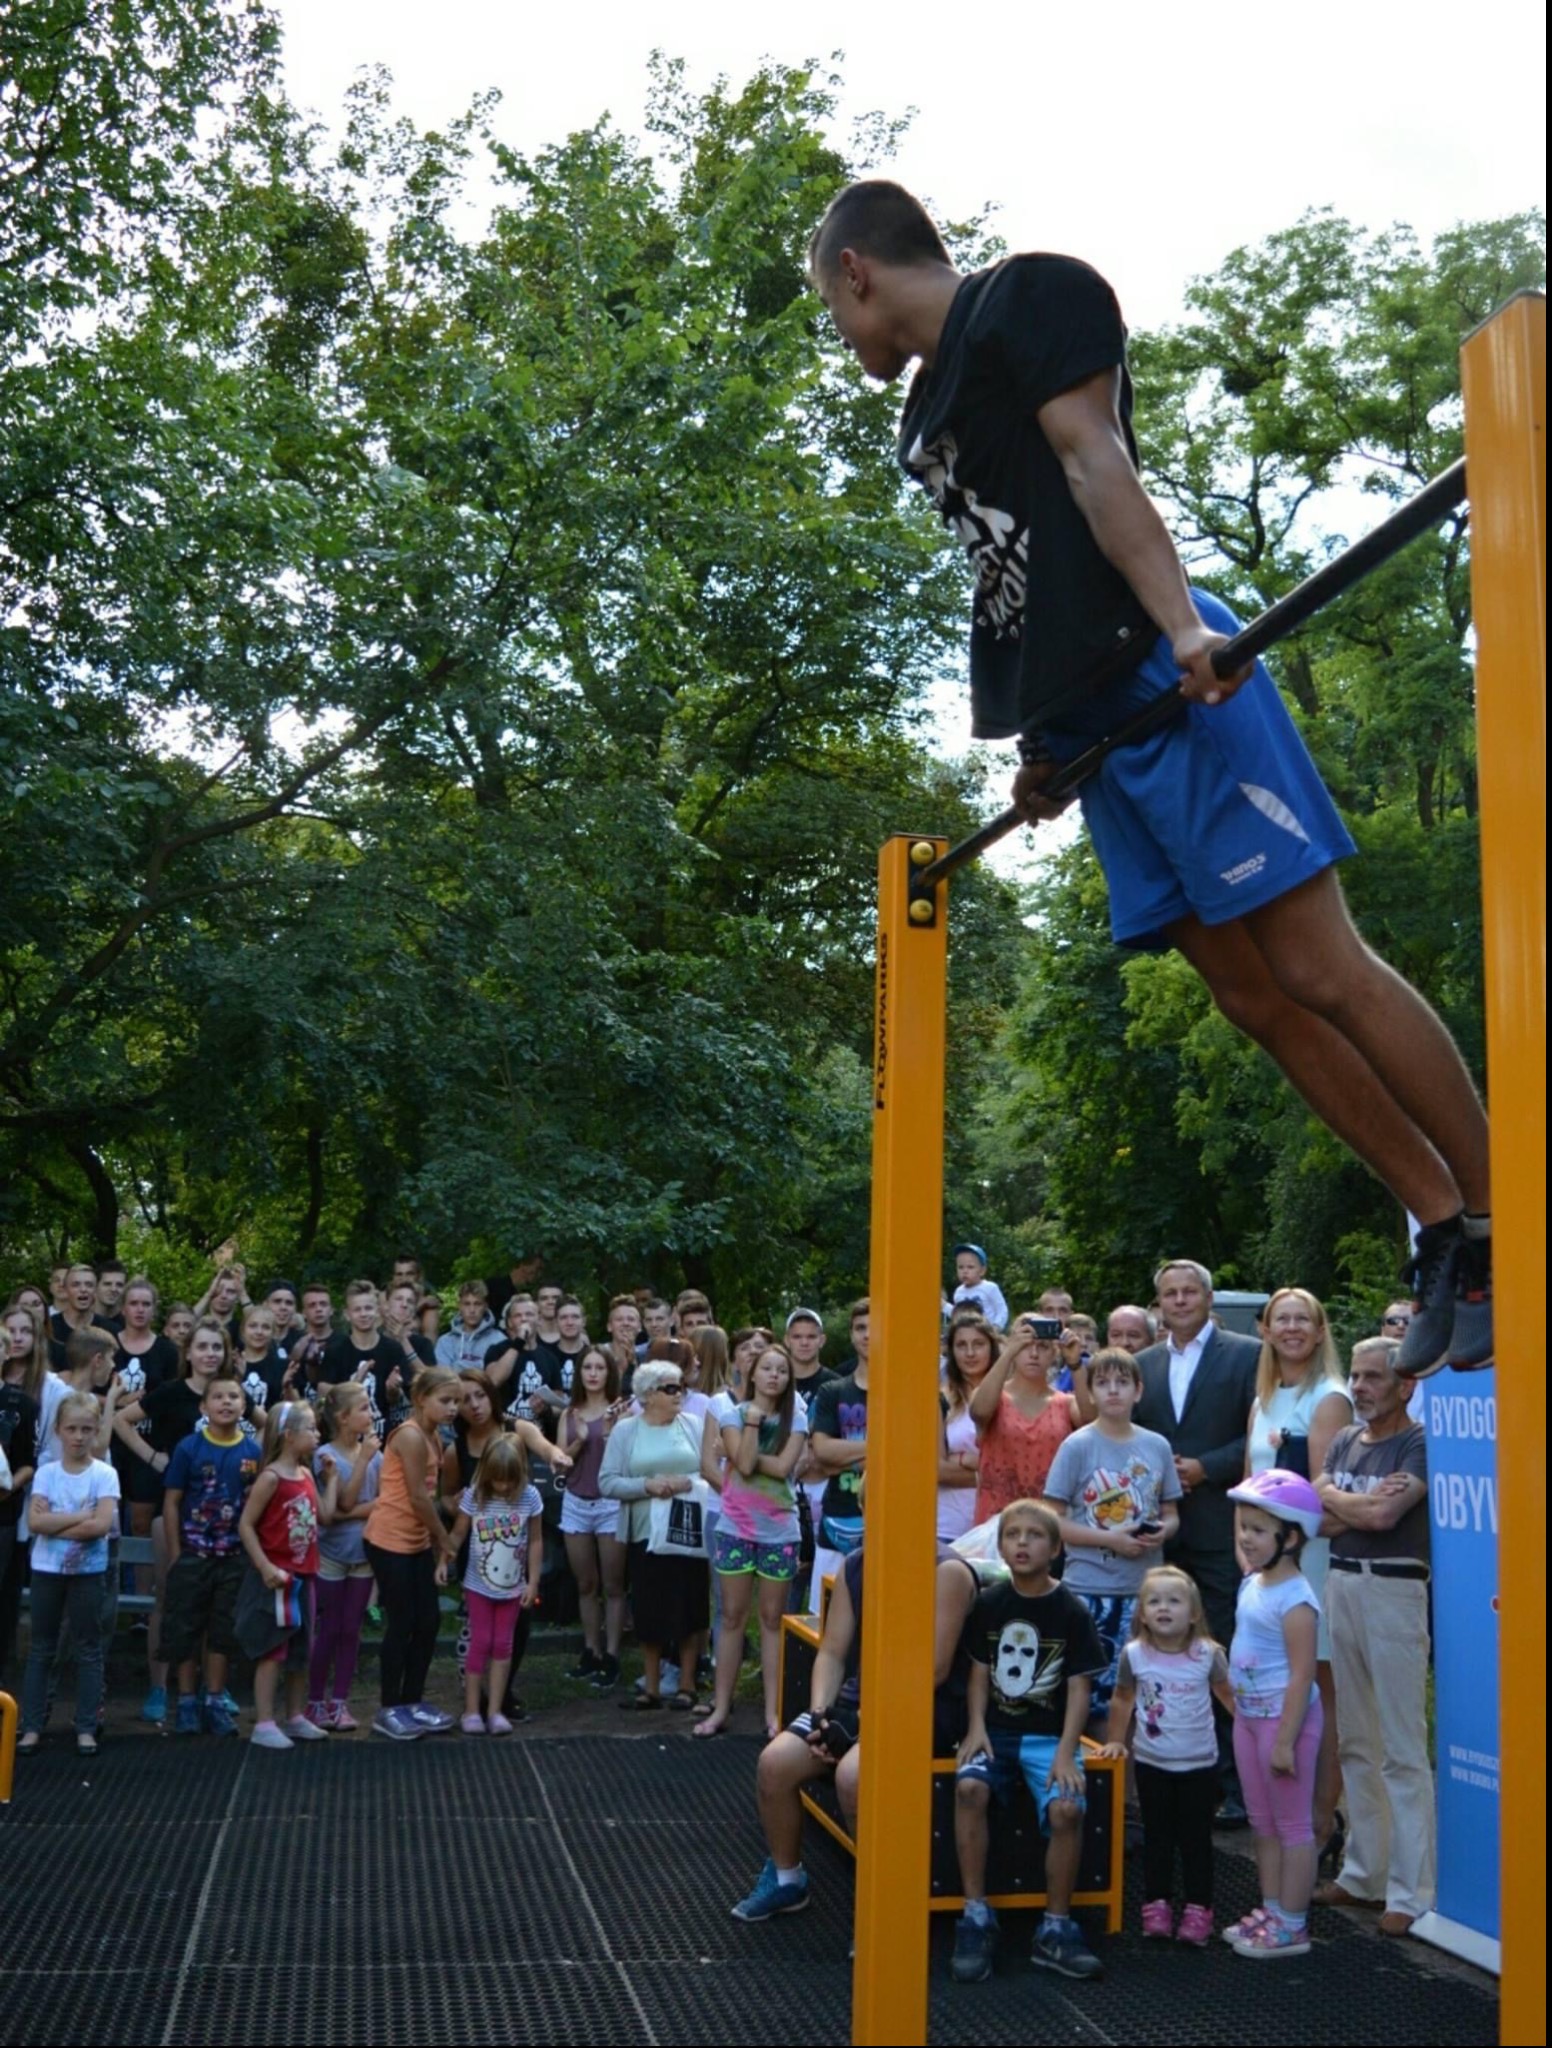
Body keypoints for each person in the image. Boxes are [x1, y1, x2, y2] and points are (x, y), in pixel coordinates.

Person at [805, 179, 1492, 1380]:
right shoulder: (922, 420)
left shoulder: (1029, 297)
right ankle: (1441, 1223)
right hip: (1088, 729)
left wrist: (1183, 628)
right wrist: (1036, 744)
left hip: (1163, 674)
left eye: (829, 308)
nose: (839, 334)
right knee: (1250, 997)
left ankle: (1500, 1208)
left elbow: (1092, 461)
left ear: (856, 269)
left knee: (1318, 966)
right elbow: (1011, 576)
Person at [730, 1535, 982, 1922]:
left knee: (853, 1777)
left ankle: (883, 1905)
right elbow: (831, 1653)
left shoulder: (947, 1571)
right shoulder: (858, 1564)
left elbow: (933, 1670)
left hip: (923, 1709)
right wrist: (821, 1717)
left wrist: (865, 1720)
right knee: (774, 1764)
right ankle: (787, 1880)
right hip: (859, 1702)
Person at [951, 1499, 1107, 1983]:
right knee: (968, 1788)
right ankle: (975, 1915)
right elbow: (978, 1672)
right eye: (1012, 1535)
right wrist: (975, 1727)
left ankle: (1055, 1928)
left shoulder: (1071, 1610)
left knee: (1067, 1808)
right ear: (1000, 1547)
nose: (1022, 1542)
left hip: (1047, 1738)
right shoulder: (989, 1603)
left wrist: (1066, 1750)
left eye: (1034, 1535)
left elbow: (1080, 1687)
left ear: (1056, 1548)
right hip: (994, 1730)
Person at [1313, 1337, 1434, 1938]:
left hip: (1394, 1589)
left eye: (1372, 1378)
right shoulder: (1342, 1439)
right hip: (1340, 1582)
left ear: (1405, 1385)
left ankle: (1412, 1891)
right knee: (1357, 1736)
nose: (1358, 1387)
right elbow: (1316, 1515)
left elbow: (1384, 1518)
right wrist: (1348, 1500)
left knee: (1402, 1745)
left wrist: (1337, 1497)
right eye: (1355, 1377)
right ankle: (1365, 1874)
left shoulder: (1416, 1442)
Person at [1134, 1260, 1261, 1822]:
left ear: (1208, 1299)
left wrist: (1206, 1468)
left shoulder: (1247, 1355)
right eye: (1170, 1294)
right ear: (1158, 1303)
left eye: (1190, 1292)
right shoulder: (1142, 1366)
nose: (1180, 1301)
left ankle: (1235, 1785)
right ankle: (1171, 1780)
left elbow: (1259, 1438)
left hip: (1218, 1526)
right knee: (1160, 1656)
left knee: (1222, 1651)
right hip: (1155, 1532)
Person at [1244, 1288, 1353, 1855]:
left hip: (1308, 1563)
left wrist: (1277, 1550)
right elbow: (1247, 1488)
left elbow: (1321, 1499)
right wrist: (1249, 1554)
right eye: (1281, 1319)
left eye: (1301, 1320)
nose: (1290, 1328)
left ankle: (1321, 1821)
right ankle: (1284, 1817)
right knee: (1278, 1687)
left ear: (1318, 1331)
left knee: (1319, 1689)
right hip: (1263, 1568)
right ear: (1266, 1329)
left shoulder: (1329, 1397)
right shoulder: (1264, 1398)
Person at [1041, 1346, 1181, 1726]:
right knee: (1084, 1695)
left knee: (1138, 1697)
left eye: (1123, 1383)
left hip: (1144, 1589)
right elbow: (1052, 1519)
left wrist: (1161, 1532)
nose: (1113, 1391)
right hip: (1089, 1587)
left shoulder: (1156, 1446)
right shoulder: (1078, 1446)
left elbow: (1171, 1513)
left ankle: (1129, 1782)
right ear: (1090, 1393)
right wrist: (1110, 1539)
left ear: (1138, 1390)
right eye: (1103, 1383)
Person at [1100, 1566, 1236, 1947]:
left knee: (1196, 1840)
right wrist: (1116, 1741)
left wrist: (1252, 1733)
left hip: (1199, 1765)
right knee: (1157, 1837)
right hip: (1152, 1763)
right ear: (1141, 1613)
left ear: (1193, 1613)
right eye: (1154, 1601)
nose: (1164, 1608)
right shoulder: (1135, 1655)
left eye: (1174, 1601)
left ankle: (1198, 1907)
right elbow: (1123, 1698)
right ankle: (1155, 1903)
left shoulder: (1208, 1655)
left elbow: (1229, 1698)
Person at [1221, 1469, 1325, 1959]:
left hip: (1284, 1725)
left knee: (1293, 1826)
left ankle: (1294, 1922)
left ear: (1291, 1537)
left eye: (1258, 1530)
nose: (1246, 1537)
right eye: (1243, 1526)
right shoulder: (1253, 1584)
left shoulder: (1297, 1600)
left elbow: (1303, 1676)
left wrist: (1285, 1740)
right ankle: (1272, 1907)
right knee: (1261, 1823)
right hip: (1248, 1719)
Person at [695, 1342, 806, 1739]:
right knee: (731, 1617)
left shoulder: (798, 1417)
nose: (774, 1375)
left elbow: (779, 1466)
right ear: (752, 1374)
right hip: (735, 1528)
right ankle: (721, 1706)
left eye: (782, 1369)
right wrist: (750, 1430)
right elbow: (741, 1465)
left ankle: (774, 1714)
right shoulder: (731, 1413)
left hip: (780, 1531)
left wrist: (742, 1444)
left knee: (772, 1620)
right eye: (767, 1368)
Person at [598, 1359, 709, 1710]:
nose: (680, 1394)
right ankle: (653, 1686)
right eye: (671, 1388)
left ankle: (688, 1684)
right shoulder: (625, 1431)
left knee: (692, 1605)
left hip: (688, 1530)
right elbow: (607, 1482)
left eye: (681, 1387)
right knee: (648, 1607)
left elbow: (713, 1473)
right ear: (647, 1395)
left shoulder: (693, 1424)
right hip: (645, 1533)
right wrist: (648, 1485)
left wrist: (686, 1482)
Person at [160, 1364, 261, 1737]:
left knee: (223, 1630)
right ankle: (186, 1701)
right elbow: (172, 1501)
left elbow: (256, 1504)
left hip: (233, 1557)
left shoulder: (253, 1450)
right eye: (217, 1397)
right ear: (203, 1406)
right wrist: (175, 1552)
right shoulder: (189, 1448)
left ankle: (214, 1700)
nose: (226, 1402)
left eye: (233, 1396)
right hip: (193, 1554)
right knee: (186, 1628)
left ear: (244, 1404)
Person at [363, 1365, 462, 1742]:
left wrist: (436, 1546)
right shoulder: (409, 1437)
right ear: (421, 1400)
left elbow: (432, 1496)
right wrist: (446, 1539)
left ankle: (413, 1701)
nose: (453, 1408)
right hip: (389, 1541)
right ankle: (389, 1708)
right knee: (401, 1623)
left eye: (456, 1401)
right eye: (445, 1400)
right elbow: (419, 1498)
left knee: (429, 1622)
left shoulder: (435, 1437)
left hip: (416, 1542)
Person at [18, 1390, 119, 1756]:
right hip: (47, 1571)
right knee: (41, 1648)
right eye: (72, 1429)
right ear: (58, 1430)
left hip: (88, 1573)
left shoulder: (105, 1475)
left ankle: (86, 1726)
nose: (78, 1436)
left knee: (88, 1648)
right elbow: (34, 1522)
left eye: (86, 1429)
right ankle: (31, 1725)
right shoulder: (46, 1473)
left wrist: (55, 1523)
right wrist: (81, 1516)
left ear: (95, 1433)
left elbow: (101, 1526)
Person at [438, 1434, 543, 1735]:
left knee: (503, 1644)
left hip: (512, 1588)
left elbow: (535, 1540)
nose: (504, 1487)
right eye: (498, 1481)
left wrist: (532, 1581)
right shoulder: (474, 1496)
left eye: (509, 1481)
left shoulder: (530, 1497)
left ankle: (495, 1710)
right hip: (478, 1586)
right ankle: (472, 1709)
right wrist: (445, 1560)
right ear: (487, 1474)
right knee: (480, 1642)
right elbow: (458, 1534)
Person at [235, 1399, 324, 1751]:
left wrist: (330, 1480)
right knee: (275, 1647)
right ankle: (265, 1721)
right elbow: (246, 1525)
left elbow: (325, 1515)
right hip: (278, 1577)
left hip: (307, 1574)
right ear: (289, 1436)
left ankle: (296, 1715)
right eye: (312, 1429)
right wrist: (265, 1566)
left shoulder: (306, 1474)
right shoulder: (271, 1477)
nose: (318, 1435)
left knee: (303, 1647)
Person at [308, 1381, 382, 1730]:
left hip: (364, 1553)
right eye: (365, 1407)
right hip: (332, 1553)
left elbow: (382, 1502)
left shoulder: (376, 1456)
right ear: (343, 1417)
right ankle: (313, 1700)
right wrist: (364, 1460)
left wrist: (350, 1511)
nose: (372, 1413)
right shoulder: (326, 1456)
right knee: (329, 1628)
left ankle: (340, 1701)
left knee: (352, 1629)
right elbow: (343, 1505)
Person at [557, 1346, 631, 1689]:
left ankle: (613, 1655)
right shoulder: (569, 1413)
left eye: (599, 1367)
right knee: (585, 1583)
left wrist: (608, 1433)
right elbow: (559, 1462)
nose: (593, 1373)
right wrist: (580, 1442)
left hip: (610, 1503)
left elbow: (629, 1458)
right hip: (575, 1500)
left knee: (613, 1584)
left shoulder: (623, 1411)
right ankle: (592, 1650)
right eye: (586, 1366)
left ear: (609, 1372)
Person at [970, 1318, 1089, 1525]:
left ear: (1054, 1352)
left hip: (1048, 1525)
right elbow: (979, 1411)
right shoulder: (994, 1398)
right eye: (1025, 1346)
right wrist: (1007, 1352)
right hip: (995, 1525)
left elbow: (1092, 1422)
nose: (1034, 1354)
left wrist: (1075, 1364)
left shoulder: (1065, 1403)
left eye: (1042, 1347)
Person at [806, 1300, 873, 1610]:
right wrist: (886, 1448)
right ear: (851, 1334)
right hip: (838, 1518)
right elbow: (822, 1452)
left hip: (891, 1522)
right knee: (826, 1618)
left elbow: (916, 1461)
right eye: (861, 1328)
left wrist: (841, 1456)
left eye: (876, 1328)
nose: (868, 1335)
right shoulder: (833, 1391)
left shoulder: (909, 1393)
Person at [0, 1303, 43, 1683]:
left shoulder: (22, 1404)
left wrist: (7, 1487)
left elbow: (29, 1460)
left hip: (4, 1514)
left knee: (3, 1603)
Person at [938, 1312, 996, 1542]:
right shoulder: (940, 1399)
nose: (970, 1353)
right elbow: (936, 1470)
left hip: (996, 1525)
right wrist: (986, 1469)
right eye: (961, 1345)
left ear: (992, 1348)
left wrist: (961, 1460)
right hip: (946, 1527)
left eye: (978, 1344)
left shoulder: (1009, 1395)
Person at [433, 1280, 507, 1370]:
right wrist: (480, 1366)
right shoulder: (445, 1342)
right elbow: (443, 1379)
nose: (472, 1310)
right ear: (459, 1306)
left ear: (485, 1306)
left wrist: (457, 1365)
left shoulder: (499, 1340)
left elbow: (496, 1377)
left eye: (477, 1304)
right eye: (467, 1304)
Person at [952, 1244, 1009, 1331]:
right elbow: (956, 1315)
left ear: (982, 1271)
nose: (965, 1271)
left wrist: (996, 1327)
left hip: (988, 1332)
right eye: (960, 1267)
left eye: (970, 1267)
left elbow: (1002, 1310)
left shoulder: (990, 1288)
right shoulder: (958, 1292)